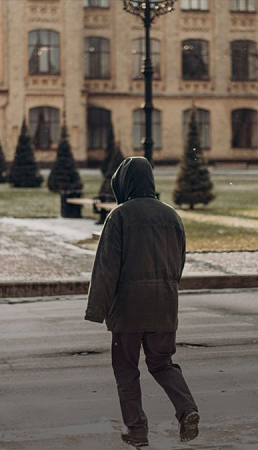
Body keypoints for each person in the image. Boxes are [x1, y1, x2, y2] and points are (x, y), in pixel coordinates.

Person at [84, 156, 199, 447]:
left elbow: (106, 267)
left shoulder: (119, 216)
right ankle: (187, 409)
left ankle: (137, 431)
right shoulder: (172, 215)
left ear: (124, 184)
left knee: (126, 370)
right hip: (164, 307)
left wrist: (97, 310)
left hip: (128, 310)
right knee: (162, 364)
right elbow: (179, 261)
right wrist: (167, 290)